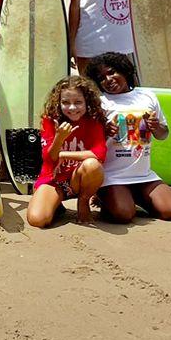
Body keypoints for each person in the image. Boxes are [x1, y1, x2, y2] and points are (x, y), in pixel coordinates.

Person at [85, 53, 171, 223]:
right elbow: (88, 143)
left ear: (124, 70)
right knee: (123, 215)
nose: (108, 79)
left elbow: (163, 134)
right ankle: (106, 195)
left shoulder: (147, 96)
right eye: (101, 78)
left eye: (112, 72)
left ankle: (133, 196)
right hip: (112, 176)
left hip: (143, 175)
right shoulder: (99, 102)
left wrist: (156, 127)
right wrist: (105, 132)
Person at [25, 75, 108, 227]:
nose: (72, 108)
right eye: (65, 102)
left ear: (87, 102)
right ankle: (56, 203)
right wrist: (59, 138)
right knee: (37, 220)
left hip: (78, 179)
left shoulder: (93, 121)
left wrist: (63, 154)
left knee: (93, 165)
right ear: (58, 103)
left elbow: (99, 154)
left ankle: (83, 201)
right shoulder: (50, 120)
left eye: (78, 102)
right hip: (54, 178)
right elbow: (49, 158)